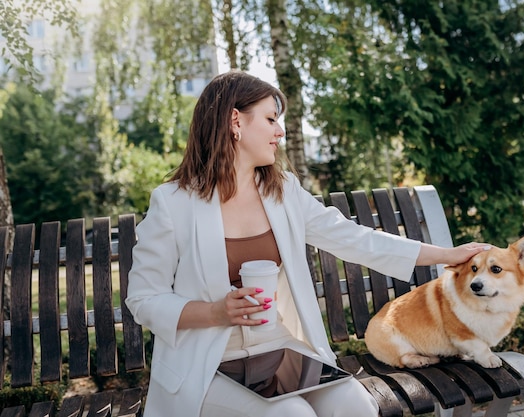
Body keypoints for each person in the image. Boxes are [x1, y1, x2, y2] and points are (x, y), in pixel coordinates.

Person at [125, 70, 492, 417]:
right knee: (293, 414)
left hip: (277, 349)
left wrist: (447, 254)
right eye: (270, 119)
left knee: (359, 407)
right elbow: (143, 298)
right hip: (206, 361)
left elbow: (354, 239)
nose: (279, 131)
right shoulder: (173, 202)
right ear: (236, 122)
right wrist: (216, 313)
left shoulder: (281, 190)